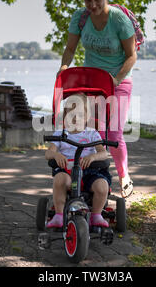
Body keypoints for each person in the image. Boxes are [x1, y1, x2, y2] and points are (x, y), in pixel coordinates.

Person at [57, 0, 136, 197]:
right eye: (88, 0)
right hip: (91, 81)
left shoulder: (119, 19)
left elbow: (132, 56)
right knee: (91, 130)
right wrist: (64, 67)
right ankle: (93, 179)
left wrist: (116, 78)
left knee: (113, 133)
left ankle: (123, 175)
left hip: (118, 80)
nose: (92, 5)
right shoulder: (80, 18)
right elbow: (70, 49)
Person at [45, 94, 112, 228]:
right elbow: (48, 153)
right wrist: (56, 155)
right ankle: (59, 215)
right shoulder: (61, 133)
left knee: (102, 186)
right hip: (67, 170)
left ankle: (96, 215)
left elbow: (104, 153)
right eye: (71, 114)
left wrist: (92, 157)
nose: (75, 118)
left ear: (87, 117)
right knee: (59, 179)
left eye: (80, 115)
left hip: (89, 171)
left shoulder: (92, 134)